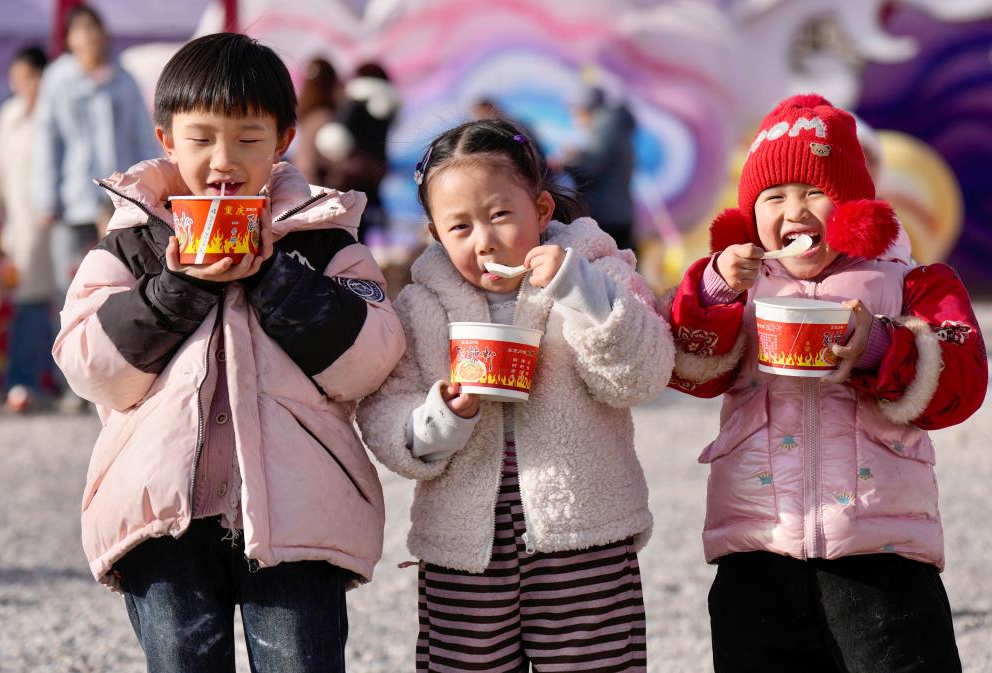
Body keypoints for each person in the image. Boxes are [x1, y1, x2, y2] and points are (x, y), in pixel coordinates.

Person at [52, 33, 405, 672]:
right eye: (201, 138)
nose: (224, 160)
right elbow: (89, 367)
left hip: (299, 513)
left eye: (247, 139)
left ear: (283, 141)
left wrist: (276, 278)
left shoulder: (322, 240)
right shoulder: (132, 243)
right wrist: (178, 286)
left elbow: (370, 360)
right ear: (166, 140)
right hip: (163, 515)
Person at [665, 94, 986, 672]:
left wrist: (881, 345)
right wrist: (713, 291)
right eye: (774, 197)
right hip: (759, 541)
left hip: (881, 548)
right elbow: (688, 367)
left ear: (853, 206)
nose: (795, 210)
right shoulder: (737, 286)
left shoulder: (911, 283)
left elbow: (962, 383)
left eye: (814, 191)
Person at [356, 118, 675, 671]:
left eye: (500, 214)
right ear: (435, 234)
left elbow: (642, 375)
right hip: (465, 548)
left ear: (542, 210)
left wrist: (580, 290)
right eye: (459, 227)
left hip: (584, 536)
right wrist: (441, 418)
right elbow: (386, 413)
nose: (484, 240)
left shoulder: (598, 274)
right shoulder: (421, 306)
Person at [33, 4, 159, 300]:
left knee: (122, 280)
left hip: (120, 201)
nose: (89, 35)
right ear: (69, 39)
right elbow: (47, 140)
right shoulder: (57, 79)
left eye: (94, 28)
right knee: (71, 285)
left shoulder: (124, 78)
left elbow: (142, 135)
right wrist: (46, 199)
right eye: (81, 30)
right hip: (73, 201)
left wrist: (151, 189)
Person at [0, 46, 54, 412]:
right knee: (24, 303)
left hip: (51, 222)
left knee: (45, 303)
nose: (18, 84)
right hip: (17, 226)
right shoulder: (10, 114)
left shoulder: (54, 113)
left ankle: (35, 382)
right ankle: (24, 382)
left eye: (24, 77)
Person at [315, 62, 400, 244]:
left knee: (348, 227)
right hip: (375, 172)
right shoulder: (387, 107)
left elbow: (335, 138)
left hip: (351, 174)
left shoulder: (354, 105)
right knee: (367, 223)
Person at [557, 86, 637, 252]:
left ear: (585, 109)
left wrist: (564, 164)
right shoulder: (614, 127)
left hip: (608, 215)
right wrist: (580, 154)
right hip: (618, 211)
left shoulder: (606, 127)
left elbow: (589, 168)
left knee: (611, 264)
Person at [291, 56, 342, 186]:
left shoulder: (307, 115)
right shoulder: (323, 118)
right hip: (315, 186)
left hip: (301, 182)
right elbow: (308, 162)